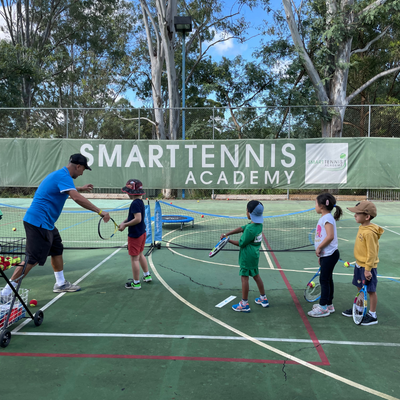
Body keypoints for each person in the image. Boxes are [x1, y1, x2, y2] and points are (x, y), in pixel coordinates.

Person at [0, 154, 110, 298]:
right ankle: (6, 292)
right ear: (77, 166)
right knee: (31, 260)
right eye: (83, 169)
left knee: (57, 248)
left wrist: (80, 188)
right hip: (38, 222)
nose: (83, 172)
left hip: (46, 223)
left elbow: (67, 189)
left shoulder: (61, 175)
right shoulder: (64, 177)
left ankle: (60, 283)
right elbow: (76, 197)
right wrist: (100, 211)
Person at [221, 200, 268, 312]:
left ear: (249, 212)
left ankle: (244, 304)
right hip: (254, 256)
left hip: (247, 257)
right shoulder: (257, 225)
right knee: (256, 276)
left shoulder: (251, 229)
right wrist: (228, 234)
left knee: (244, 278)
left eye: (246, 210)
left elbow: (241, 243)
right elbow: (242, 228)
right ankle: (263, 298)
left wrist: (227, 240)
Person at [342, 201, 383, 325]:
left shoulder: (370, 232)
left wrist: (368, 269)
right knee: (360, 288)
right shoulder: (362, 227)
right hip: (359, 264)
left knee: (370, 290)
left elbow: (372, 253)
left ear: (367, 217)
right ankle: (359, 309)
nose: (354, 215)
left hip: (367, 267)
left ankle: (372, 314)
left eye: (357, 213)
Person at [308, 193, 343, 318]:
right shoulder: (325, 217)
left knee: (324, 280)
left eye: (316, 204)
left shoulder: (327, 218)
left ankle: (323, 307)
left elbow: (330, 236)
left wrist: (320, 247)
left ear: (322, 206)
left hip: (330, 254)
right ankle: (329, 304)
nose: (315, 206)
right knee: (327, 279)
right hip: (327, 255)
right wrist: (321, 254)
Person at [119, 179, 152, 290]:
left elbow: (137, 219)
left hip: (135, 235)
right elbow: (132, 217)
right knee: (140, 254)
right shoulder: (140, 202)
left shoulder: (134, 203)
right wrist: (124, 222)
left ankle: (136, 283)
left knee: (134, 259)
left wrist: (125, 225)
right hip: (142, 233)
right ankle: (147, 275)